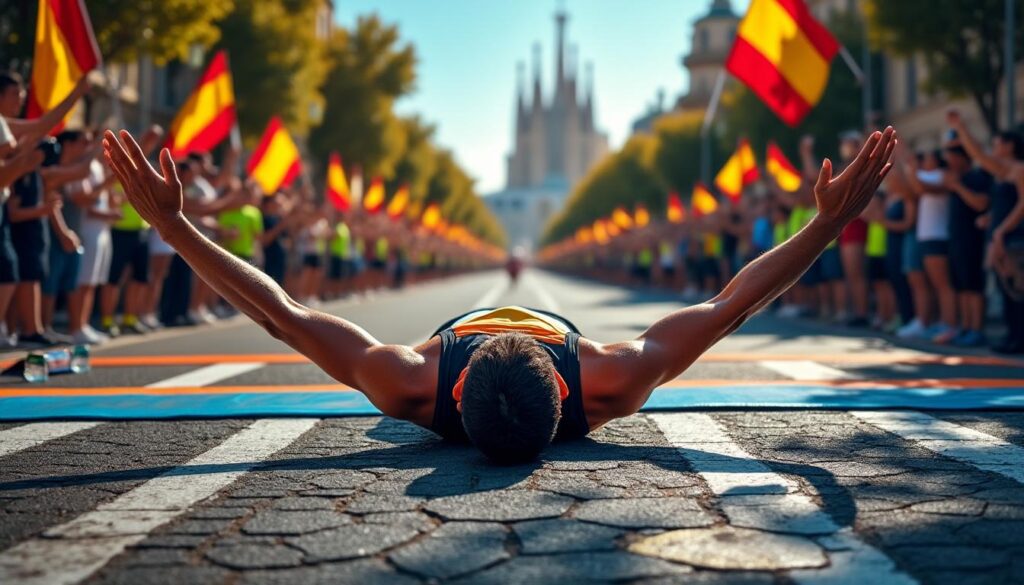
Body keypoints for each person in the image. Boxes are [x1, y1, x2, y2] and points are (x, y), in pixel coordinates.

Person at [102, 126, 897, 462]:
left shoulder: (409, 381)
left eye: (488, 344)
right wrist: (825, 226)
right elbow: (732, 306)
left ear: (455, 381)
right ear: (564, 381)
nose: (501, 329)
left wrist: (177, 228)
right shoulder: (610, 378)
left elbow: (284, 315)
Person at [949, 110, 1024, 353]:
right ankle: (1013, 336)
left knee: (1018, 287)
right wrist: (991, 219)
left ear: (1010, 146)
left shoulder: (1019, 169)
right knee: (1006, 288)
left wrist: (1001, 229)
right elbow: (980, 156)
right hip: (1002, 236)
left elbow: (1022, 205)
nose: (994, 148)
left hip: (1014, 237)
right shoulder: (1002, 172)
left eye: (998, 144)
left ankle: (1019, 338)